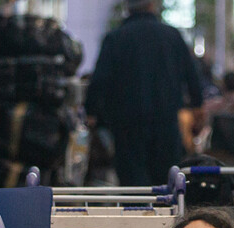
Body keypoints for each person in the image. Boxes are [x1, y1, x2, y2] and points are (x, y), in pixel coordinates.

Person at [85, 0, 204, 186]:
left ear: (127, 7)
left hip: (127, 126)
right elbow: (192, 77)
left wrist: (92, 112)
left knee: (134, 189)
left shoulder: (116, 38)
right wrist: (197, 108)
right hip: (166, 123)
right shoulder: (172, 36)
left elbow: (99, 81)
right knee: (166, 186)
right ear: (153, 5)